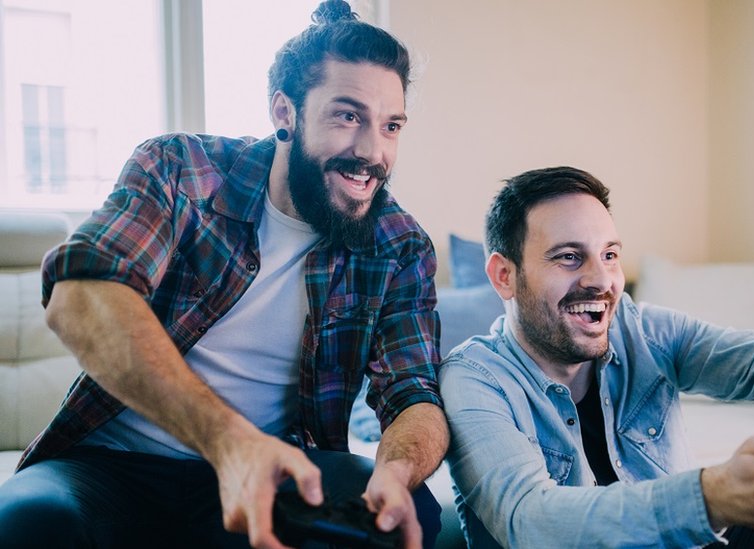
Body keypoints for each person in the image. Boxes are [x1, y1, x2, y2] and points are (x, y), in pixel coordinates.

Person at [0, 2, 448, 548]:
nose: (372, 152)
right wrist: (229, 442)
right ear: (285, 112)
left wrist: (396, 472)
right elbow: (81, 295)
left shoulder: (399, 244)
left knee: (405, 515)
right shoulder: (182, 170)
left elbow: (414, 392)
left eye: (391, 125)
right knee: (27, 524)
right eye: (347, 116)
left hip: (273, 471)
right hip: (107, 464)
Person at [439, 166, 754, 548]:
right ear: (504, 276)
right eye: (568, 257)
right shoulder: (473, 379)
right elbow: (531, 523)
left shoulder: (641, 329)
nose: (601, 280)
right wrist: (711, 497)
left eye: (609, 255)